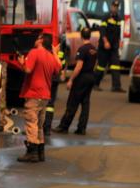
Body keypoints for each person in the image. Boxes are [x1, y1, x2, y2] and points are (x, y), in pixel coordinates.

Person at [16, 33, 61, 163]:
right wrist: (54, 52)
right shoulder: (51, 57)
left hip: (34, 94)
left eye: (37, 38)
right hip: (45, 95)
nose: (35, 40)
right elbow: (59, 68)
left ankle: (32, 153)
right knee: (39, 125)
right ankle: (41, 152)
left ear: (41, 40)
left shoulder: (34, 52)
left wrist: (22, 63)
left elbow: (28, 70)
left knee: (31, 123)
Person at [54, 28, 97, 135]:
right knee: (85, 104)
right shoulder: (93, 49)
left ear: (81, 36)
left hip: (81, 78)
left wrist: (71, 79)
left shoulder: (82, 49)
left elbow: (79, 66)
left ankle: (64, 127)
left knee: (72, 102)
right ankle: (81, 128)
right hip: (91, 77)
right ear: (90, 36)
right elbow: (95, 64)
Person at [94, 0, 125, 92]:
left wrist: (119, 41)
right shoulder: (106, 17)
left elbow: (118, 32)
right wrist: (105, 41)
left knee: (116, 66)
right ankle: (95, 84)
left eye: (117, 7)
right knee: (101, 66)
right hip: (104, 46)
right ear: (111, 7)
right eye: (114, 6)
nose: (115, 8)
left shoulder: (118, 18)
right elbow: (102, 30)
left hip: (114, 47)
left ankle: (116, 86)